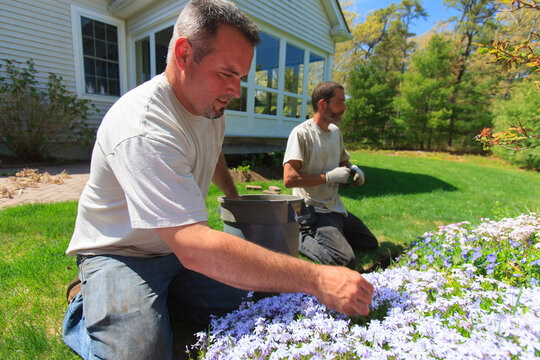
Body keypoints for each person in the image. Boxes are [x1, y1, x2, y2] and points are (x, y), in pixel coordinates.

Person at [61, 1, 374, 359]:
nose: (236, 90)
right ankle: (85, 305)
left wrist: (233, 194)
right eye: (227, 74)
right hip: (120, 253)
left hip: (176, 253)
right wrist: (317, 279)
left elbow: (212, 154)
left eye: (241, 77)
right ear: (183, 53)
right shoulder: (144, 127)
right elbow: (194, 245)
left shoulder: (208, 107)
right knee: (142, 350)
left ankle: (163, 304)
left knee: (259, 301)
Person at [283, 81, 379, 268]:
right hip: (312, 208)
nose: (344, 108)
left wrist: (354, 169)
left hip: (334, 207)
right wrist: (328, 177)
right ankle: (299, 235)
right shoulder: (302, 134)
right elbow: (289, 179)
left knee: (370, 244)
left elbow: (344, 161)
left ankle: (334, 233)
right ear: (322, 104)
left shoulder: (335, 132)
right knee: (347, 261)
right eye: (339, 102)